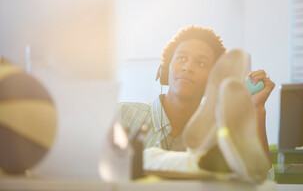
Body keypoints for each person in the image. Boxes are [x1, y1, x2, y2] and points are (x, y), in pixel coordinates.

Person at [115, 25, 275, 182]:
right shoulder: (121, 115)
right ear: (166, 70)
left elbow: (264, 180)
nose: (187, 67)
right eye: (181, 58)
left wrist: (256, 108)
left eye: (201, 63)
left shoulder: (223, 131)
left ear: (213, 80)